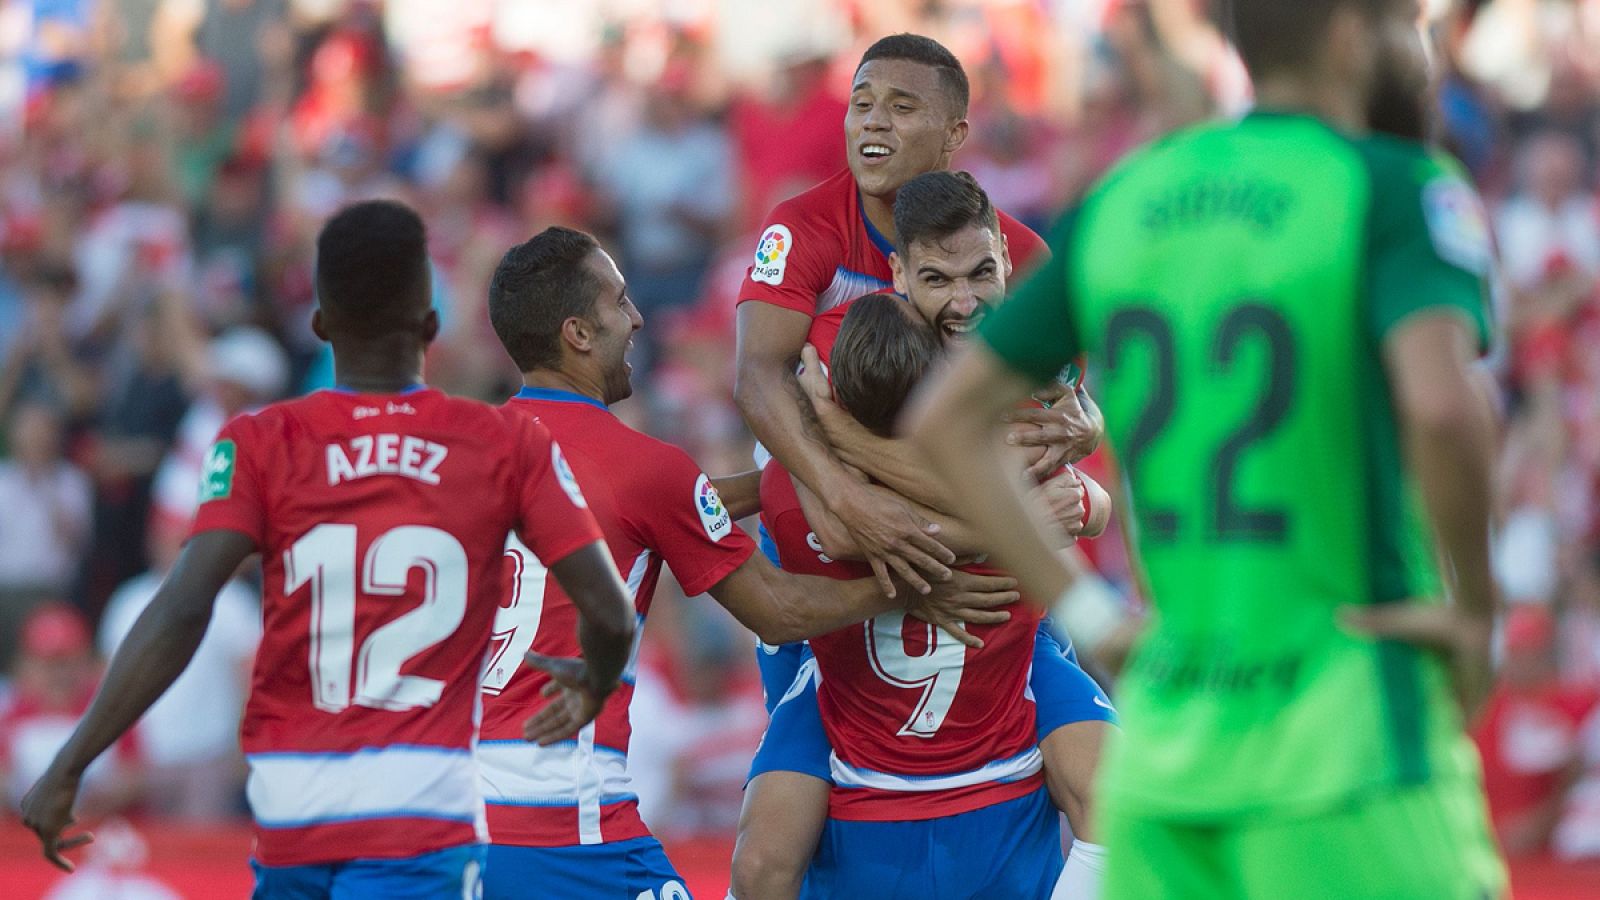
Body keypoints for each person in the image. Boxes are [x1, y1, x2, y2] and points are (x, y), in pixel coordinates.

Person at [905, 1, 1507, 896]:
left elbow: (943, 419)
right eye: (1407, 25)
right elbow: (1444, 407)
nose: (1421, 50)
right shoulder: (1387, 184)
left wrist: (1096, 620)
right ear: (1351, 35)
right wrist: (1475, 613)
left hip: (1169, 756)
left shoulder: (1130, 196)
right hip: (1349, 749)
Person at [20, 200, 638, 899]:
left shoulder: (257, 442)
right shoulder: (504, 443)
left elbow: (181, 607)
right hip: (424, 810)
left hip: (293, 811)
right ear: (430, 324)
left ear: (319, 325)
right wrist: (596, 677)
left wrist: (73, 761)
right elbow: (611, 614)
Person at [477, 226, 1018, 899]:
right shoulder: (641, 469)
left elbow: (666, 506)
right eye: (619, 304)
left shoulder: (462, 455)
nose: (639, 318)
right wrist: (905, 588)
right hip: (561, 818)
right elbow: (779, 610)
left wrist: (815, 465)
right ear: (578, 334)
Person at [729, 34, 1109, 896]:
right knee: (766, 853)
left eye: (902, 107)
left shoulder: (1019, 255)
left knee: (1121, 792)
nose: (872, 121)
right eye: (863, 102)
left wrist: (1083, 437)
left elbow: (1060, 432)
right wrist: (838, 492)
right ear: (898, 273)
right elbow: (755, 378)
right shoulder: (804, 224)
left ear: (954, 132)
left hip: (955, 538)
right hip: (829, 537)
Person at [756, 292, 1115, 898]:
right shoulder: (806, 462)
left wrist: (823, 422)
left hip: (1008, 662)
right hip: (848, 678)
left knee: (1120, 802)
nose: (961, 294)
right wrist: (999, 532)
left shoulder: (813, 432)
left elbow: (1093, 507)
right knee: (760, 865)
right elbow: (843, 532)